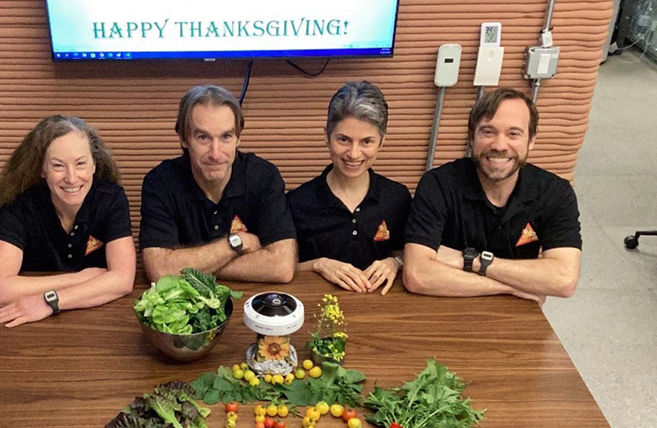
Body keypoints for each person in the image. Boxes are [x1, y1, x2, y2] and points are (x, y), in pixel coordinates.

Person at [403, 88, 581, 302]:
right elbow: (418, 275)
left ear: (531, 140)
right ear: (472, 137)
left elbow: (564, 280)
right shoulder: (438, 184)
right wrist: (509, 288)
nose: (499, 145)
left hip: (516, 317)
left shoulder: (556, 193)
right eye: (488, 132)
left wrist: (472, 260)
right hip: (443, 307)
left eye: (513, 134)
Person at [0, 115, 136, 327]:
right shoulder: (19, 206)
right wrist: (80, 278)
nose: (71, 178)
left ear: (94, 165)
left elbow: (123, 280)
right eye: (58, 166)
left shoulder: (111, 199)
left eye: (80, 163)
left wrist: (50, 301)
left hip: (96, 313)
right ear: (42, 170)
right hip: (31, 319)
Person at [139, 85, 297, 283]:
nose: (215, 153)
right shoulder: (160, 182)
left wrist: (189, 266)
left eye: (226, 137)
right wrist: (237, 243)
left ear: (238, 138)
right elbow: (160, 271)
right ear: (183, 138)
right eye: (203, 137)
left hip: (252, 304)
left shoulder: (264, 176)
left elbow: (281, 267)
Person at [287, 81, 411, 295]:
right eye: (343, 139)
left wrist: (395, 262)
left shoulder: (397, 197)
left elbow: (409, 252)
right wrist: (319, 264)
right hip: (315, 310)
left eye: (366, 142)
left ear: (381, 142)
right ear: (326, 136)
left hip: (382, 310)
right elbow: (282, 268)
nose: (354, 154)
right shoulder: (296, 202)